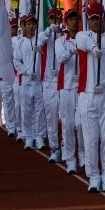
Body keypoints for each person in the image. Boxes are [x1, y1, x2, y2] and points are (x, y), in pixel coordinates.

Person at [76, 3, 105, 192]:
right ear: (88, 19)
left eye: (98, 17)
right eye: (92, 18)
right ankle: (94, 177)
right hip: (87, 96)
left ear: (104, 18)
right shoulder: (83, 36)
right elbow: (83, 42)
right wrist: (95, 47)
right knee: (90, 138)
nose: (95, 21)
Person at [54, 8, 81, 175]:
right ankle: (70, 158)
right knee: (68, 124)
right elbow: (61, 58)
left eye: (75, 19)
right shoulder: (60, 42)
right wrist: (72, 50)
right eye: (69, 19)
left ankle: (84, 154)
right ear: (65, 22)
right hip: (66, 87)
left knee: (81, 124)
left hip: (83, 87)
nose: (73, 22)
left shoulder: (84, 37)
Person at [12, 15, 45, 150]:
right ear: (23, 26)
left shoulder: (40, 39)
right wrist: (26, 71)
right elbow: (15, 61)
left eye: (33, 23)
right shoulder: (20, 42)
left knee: (39, 110)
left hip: (38, 81)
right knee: (26, 110)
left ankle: (39, 136)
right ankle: (28, 136)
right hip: (25, 81)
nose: (31, 26)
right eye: (28, 24)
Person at [39, 8, 64, 161]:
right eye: (52, 18)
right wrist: (50, 30)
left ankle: (67, 146)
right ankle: (55, 148)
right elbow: (40, 40)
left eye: (57, 18)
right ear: (48, 20)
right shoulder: (45, 35)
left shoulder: (66, 35)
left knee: (68, 119)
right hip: (49, 82)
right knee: (51, 117)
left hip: (64, 82)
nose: (55, 20)